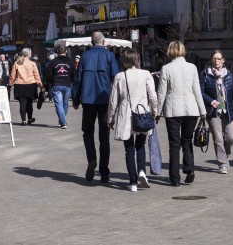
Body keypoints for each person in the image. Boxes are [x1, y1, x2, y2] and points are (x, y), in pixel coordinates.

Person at [71, 31, 121, 183]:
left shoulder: (85, 56)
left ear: (91, 42)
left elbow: (78, 79)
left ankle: (92, 159)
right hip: (104, 99)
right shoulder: (109, 56)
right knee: (104, 136)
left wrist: (75, 98)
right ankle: (104, 171)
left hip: (88, 99)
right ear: (104, 42)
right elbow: (117, 77)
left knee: (87, 132)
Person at [158, 40, 207, 186]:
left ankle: (175, 178)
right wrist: (202, 110)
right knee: (187, 141)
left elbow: (161, 93)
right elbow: (197, 90)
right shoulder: (192, 68)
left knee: (174, 144)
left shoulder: (166, 68)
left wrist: (156, 111)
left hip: (173, 110)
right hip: (191, 109)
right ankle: (189, 169)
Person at [108, 49, 159, 192]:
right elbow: (153, 96)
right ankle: (142, 171)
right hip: (142, 112)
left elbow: (113, 101)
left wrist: (111, 118)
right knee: (141, 145)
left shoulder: (120, 76)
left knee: (129, 149)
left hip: (125, 114)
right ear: (137, 59)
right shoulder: (146, 74)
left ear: (124, 60)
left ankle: (133, 182)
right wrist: (154, 112)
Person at [201, 51, 233, 174]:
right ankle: (223, 164)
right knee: (218, 139)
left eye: (219, 59)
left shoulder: (229, 75)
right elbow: (200, 92)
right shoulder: (205, 75)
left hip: (228, 111)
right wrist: (211, 101)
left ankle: (225, 155)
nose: (216, 61)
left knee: (230, 137)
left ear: (223, 60)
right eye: (214, 58)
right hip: (213, 111)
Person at [7, 48, 42, 126]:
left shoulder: (17, 63)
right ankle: (29, 118)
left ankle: (23, 120)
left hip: (19, 85)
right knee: (29, 103)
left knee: (22, 103)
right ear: (28, 54)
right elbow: (36, 75)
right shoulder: (32, 63)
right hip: (31, 85)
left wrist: (10, 84)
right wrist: (40, 84)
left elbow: (13, 75)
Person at [43, 42, 75, 128]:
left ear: (57, 52)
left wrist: (49, 84)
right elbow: (74, 74)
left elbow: (48, 74)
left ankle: (63, 122)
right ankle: (63, 121)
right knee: (65, 104)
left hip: (56, 84)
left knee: (59, 104)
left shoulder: (53, 62)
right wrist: (71, 81)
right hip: (67, 84)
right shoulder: (70, 61)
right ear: (66, 52)